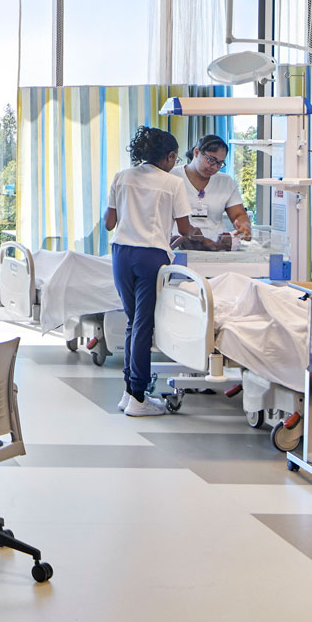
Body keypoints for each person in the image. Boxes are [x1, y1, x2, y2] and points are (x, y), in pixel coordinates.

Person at [103, 126, 197, 418]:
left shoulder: (122, 177)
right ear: (169, 156)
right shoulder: (173, 183)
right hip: (150, 257)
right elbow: (184, 228)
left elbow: (109, 222)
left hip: (121, 253)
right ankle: (138, 398)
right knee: (144, 325)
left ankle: (130, 392)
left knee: (134, 322)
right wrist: (197, 233)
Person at [176, 134, 251, 250]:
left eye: (220, 163)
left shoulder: (226, 182)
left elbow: (238, 214)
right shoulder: (172, 177)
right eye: (211, 160)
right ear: (196, 152)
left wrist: (243, 225)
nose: (215, 167)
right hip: (180, 248)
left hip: (216, 249)